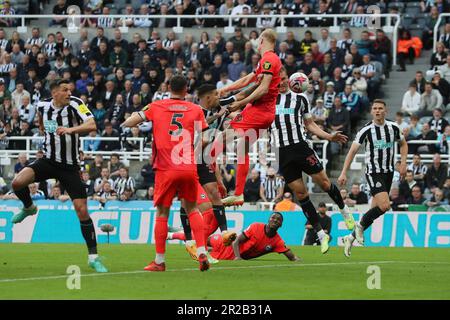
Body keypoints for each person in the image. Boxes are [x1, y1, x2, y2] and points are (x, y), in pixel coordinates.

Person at [9, 79, 108, 273]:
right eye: (64, 90)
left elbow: (92, 125)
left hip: (69, 167)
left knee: (81, 210)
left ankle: (93, 257)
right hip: (48, 161)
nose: (69, 92)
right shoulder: (43, 105)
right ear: (54, 93)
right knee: (17, 182)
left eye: (69, 89)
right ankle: (29, 208)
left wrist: (70, 130)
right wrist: (45, 130)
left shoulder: (75, 104)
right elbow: (41, 122)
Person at [122, 75, 210, 272]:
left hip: (165, 167)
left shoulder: (156, 106)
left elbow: (130, 122)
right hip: (188, 166)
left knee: (163, 212)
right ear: (187, 89)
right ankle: (202, 251)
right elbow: (205, 137)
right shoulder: (196, 110)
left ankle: (159, 261)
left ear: (168, 87)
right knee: (193, 209)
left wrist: (131, 121)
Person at [270, 68, 354, 254]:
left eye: (285, 79)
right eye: (279, 79)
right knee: (301, 195)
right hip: (281, 153)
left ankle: (344, 210)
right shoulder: (268, 100)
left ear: (290, 80)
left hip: (301, 148)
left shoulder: (300, 99)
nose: (282, 82)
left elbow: (309, 124)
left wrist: (328, 136)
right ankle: (321, 235)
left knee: (324, 183)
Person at [212, 29, 282, 207]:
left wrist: (239, 104)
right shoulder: (266, 60)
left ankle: (204, 171)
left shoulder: (269, 59)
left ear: (262, 41)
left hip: (259, 110)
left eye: (258, 42)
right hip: (264, 112)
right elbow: (248, 80)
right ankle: (238, 194)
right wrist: (226, 90)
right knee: (241, 149)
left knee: (223, 137)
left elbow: (263, 88)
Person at [338, 99, 408, 257]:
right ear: (371, 111)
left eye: (380, 108)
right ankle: (359, 227)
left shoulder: (393, 127)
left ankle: (350, 238)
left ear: (385, 110)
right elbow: (352, 151)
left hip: (389, 172)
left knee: (375, 210)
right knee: (385, 206)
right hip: (373, 172)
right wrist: (343, 172)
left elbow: (403, 144)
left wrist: (403, 163)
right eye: (375, 108)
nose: (377, 111)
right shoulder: (366, 130)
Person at [209, 212, 300, 261]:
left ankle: (207, 249)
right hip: (226, 245)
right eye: (273, 218)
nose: (275, 220)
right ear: (268, 220)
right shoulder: (255, 227)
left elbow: (292, 257)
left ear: (281, 225)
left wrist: (298, 260)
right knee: (208, 241)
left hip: (228, 256)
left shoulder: (277, 242)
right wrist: (238, 257)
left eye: (278, 220)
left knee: (209, 254)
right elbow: (236, 241)